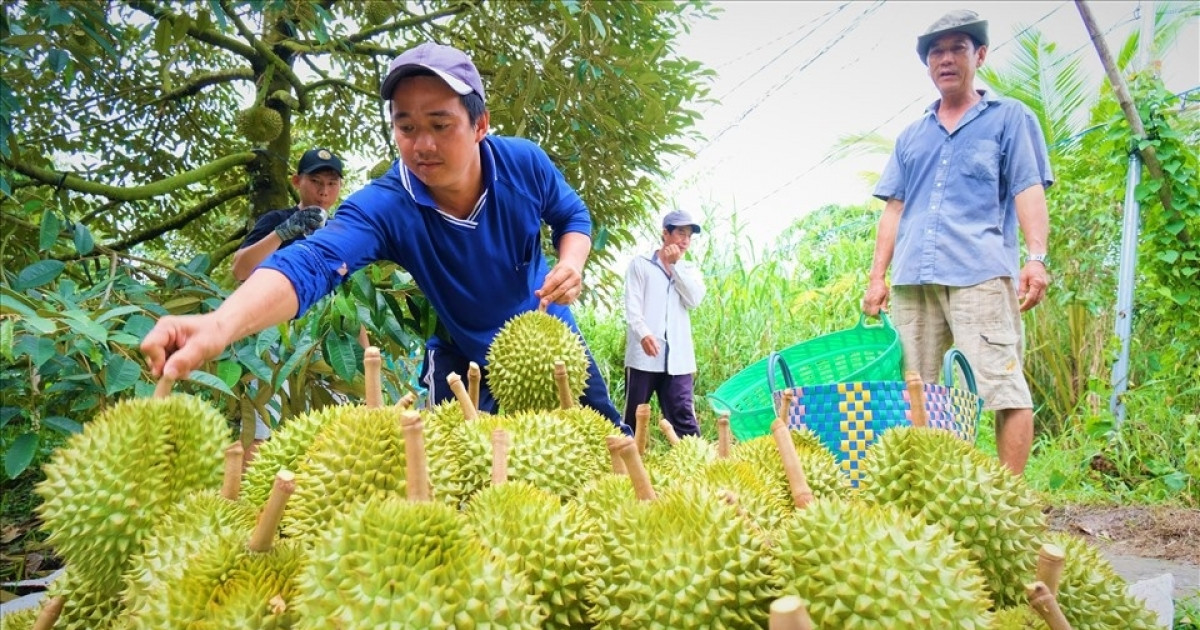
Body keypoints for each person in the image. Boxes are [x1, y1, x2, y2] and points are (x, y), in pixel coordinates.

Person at [141, 42, 630, 434]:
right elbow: (312, 262)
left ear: (480, 124)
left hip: (548, 333)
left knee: (604, 441)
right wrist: (222, 324)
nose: (423, 145)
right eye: (406, 126)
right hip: (462, 349)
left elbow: (572, 215)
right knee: (459, 468)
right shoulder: (386, 204)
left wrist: (572, 262)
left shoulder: (523, 164)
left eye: (440, 125)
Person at [861, 10, 1052, 475]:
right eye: (936, 52)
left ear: (979, 55)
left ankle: (1009, 502)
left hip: (979, 274)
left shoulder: (1010, 119)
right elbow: (895, 210)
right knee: (919, 392)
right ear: (928, 64)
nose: (945, 59)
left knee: (1002, 388)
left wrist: (1036, 258)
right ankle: (935, 490)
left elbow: (1028, 188)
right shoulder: (912, 137)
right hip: (913, 280)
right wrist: (876, 277)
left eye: (957, 48)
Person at [623, 210, 707, 437]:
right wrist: (643, 334)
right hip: (644, 357)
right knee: (633, 419)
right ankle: (624, 467)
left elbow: (693, 301)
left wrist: (675, 267)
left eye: (689, 235)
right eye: (681, 232)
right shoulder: (640, 265)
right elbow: (632, 309)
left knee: (684, 419)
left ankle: (699, 469)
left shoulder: (689, 270)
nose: (685, 240)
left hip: (679, 360)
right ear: (665, 234)